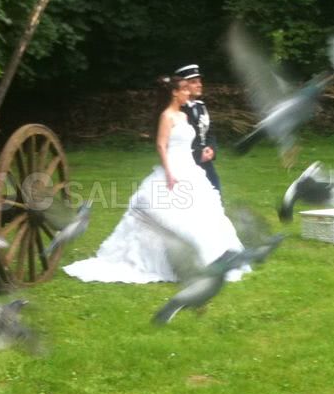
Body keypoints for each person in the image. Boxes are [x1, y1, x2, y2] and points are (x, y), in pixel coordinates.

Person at [64, 76, 246, 284]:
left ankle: (213, 257)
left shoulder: (184, 116)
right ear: (174, 93)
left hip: (190, 167)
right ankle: (174, 262)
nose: (188, 93)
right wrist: (168, 172)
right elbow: (161, 145)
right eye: (184, 89)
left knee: (203, 212)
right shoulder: (166, 116)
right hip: (173, 168)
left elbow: (189, 142)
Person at [173, 63, 221, 193]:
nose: (199, 85)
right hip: (185, 163)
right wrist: (199, 155)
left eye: (199, 81)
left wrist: (211, 149)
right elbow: (176, 140)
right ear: (183, 86)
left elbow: (209, 132)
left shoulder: (201, 106)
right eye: (194, 82)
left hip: (205, 162)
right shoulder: (177, 110)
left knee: (215, 192)